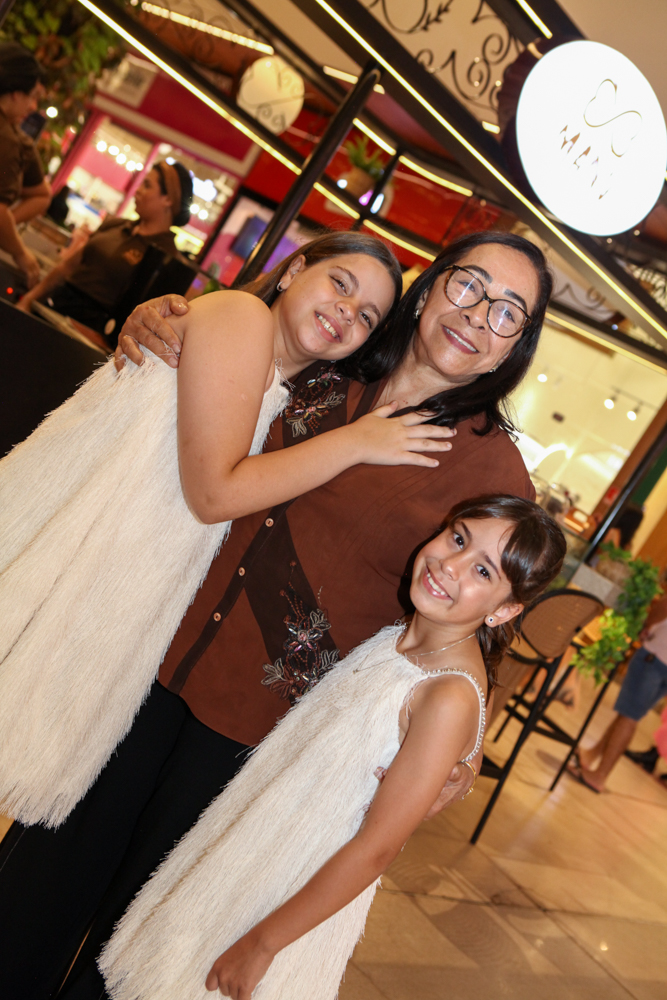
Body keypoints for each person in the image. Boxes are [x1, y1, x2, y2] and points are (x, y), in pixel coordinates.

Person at [0, 229, 552, 1000]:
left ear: (512, 350)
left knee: (130, 952)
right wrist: (165, 320)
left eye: (507, 313)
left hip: (252, 738)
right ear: (430, 288)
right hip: (144, 663)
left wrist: (457, 744)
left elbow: (474, 620)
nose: (477, 316)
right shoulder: (335, 357)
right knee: (31, 896)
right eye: (468, 286)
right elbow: (225, 369)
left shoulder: (490, 473)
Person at [97, 495, 565, 1000]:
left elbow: (377, 847)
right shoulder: (403, 635)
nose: (449, 566)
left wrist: (263, 943)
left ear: (505, 610)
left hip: (295, 885)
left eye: (482, 571)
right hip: (257, 844)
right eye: (457, 537)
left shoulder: (448, 694)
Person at [17, 160, 194, 339]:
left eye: (147, 185)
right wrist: (29, 300)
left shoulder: (167, 258)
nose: (138, 190)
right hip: (54, 307)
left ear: (168, 199)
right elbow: (67, 267)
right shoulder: (115, 225)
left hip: (91, 335)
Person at [570, 592, 667, 792]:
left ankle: (600, 774)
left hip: (657, 654)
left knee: (629, 717)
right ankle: (592, 754)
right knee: (629, 713)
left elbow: (663, 607)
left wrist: (647, 624)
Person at [0, 41, 51, 288]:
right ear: (15, 92)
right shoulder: (6, 139)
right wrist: (21, 253)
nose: (32, 107)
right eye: (31, 96)